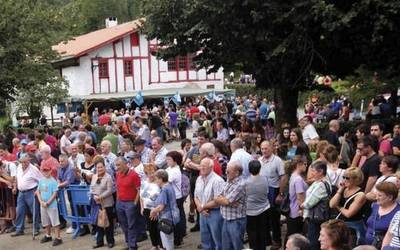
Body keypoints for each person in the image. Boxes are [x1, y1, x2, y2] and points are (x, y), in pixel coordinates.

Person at [258, 140, 285, 249]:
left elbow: (283, 177)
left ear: (271, 148)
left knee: (274, 218)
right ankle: (266, 240)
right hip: (262, 192)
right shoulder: (259, 160)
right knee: (264, 217)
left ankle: (277, 241)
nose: (264, 151)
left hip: (274, 191)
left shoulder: (277, 161)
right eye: (262, 149)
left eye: (266, 148)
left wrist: (280, 194)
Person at [329, 167, 366, 245]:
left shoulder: (360, 195)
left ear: (356, 179)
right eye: (343, 177)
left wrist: (338, 207)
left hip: (352, 227)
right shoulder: (344, 189)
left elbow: (348, 213)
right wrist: (340, 190)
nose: (344, 179)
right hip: (340, 226)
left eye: (347, 178)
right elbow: (332, 204)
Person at [215, 161, 247, 250]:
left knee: (237, 247)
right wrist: (226, 201)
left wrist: (226, 200)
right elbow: (217, 197)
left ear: (237, 173)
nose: (226, 173)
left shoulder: (241, 184)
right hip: (226, 218)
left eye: (228, 171)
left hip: (236, 221)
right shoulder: (229, 180)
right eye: (226, 170)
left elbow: (226, 201)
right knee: (226, 247)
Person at [194, 158, 225, 250]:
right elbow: (196, 196)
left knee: (218, 241)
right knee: (205, 240)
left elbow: (218, 200)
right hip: (203, 213)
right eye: (201, 166)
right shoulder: (199, 179)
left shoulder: (218, 180)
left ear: (211, 167)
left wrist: (203, 207)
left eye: (204, 166)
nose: (202, 168)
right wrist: (200, 207)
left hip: (215, 213)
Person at [301, 161, 330, 250]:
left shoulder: (321, 185)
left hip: (315, 217)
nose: (311, 173)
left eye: (313, 171)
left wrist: (302, 205)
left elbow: (309, 202)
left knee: (313, 241)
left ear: (320, 172)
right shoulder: (319, 182)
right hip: (314, 216)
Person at [12, 154, 43, 237]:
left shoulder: (34, 169)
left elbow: (41, 180)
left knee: (34, 211)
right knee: (19, 211)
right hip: (21, 192)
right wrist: (15, 187)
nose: (23, 164)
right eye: (22, 162)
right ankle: (19, 229)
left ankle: (36, 229)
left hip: (31, 191)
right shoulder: (18, 167)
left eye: (25, 162)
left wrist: (38, 190)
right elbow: (17, 178)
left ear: (29, 160)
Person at [150, 169, 180, 250]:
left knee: (167, 241)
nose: (155, 181)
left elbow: (161, 206)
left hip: (166, 218)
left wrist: (153, 211)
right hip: (172, 216)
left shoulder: (164, 189)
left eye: (156, 179)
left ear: (161, 179)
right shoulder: (169, 186)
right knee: (168, 240)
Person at [115, 157, 141, 250]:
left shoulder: (134, 174)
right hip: (120, 202)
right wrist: (118, 201)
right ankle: (129, 242)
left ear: (125, 164)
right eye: (116, 165)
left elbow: (139, 190)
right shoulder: (118, 174)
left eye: (119, 165)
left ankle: (132, 245)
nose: (117, 167)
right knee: (123, 224)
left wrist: (134, 203)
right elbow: (118, 188)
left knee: (131, 225)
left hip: (130, 203)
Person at [245, 160, 271, 250]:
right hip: (264, 208)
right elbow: (267, 191)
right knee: (262, 231)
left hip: (250, 211)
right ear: (260, 169)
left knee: (252, 233)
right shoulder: (264, 179)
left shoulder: (246, 182)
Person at [365, 182, 400, 247]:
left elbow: (391, 235)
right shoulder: (375, 206)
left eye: (380, 195)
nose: (376, 198)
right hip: (367, 244)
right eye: (376, 195)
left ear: (390, 197)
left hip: (383, 246)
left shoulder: (398, 212)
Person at [90, 157, 115, 249]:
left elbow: (110, 190)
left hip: (107, 203)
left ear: (104, 167)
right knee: (98, 223)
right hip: (96, 203)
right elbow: (92, 188)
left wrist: (100, 197)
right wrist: (94, 196)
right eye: (98, 167)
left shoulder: (108, 177)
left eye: (101, 167)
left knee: (108, 224)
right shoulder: (94, 176)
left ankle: (110, 241)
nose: (99, 169)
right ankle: (99, 242)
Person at [37, 164, 62, 246]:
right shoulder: (41, 180)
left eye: (47, 170)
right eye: (44, 171)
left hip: (51, 205)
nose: (46, 172)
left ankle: (58, 237)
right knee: (45, 221)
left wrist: (48, 203)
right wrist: (41, 201)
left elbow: (55, 194)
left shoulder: (53, 181)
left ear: (51, 171)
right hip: (43, 204)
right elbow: (38, 192)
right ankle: (48, 235)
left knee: (55, 222)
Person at [165, 151, 185, 246]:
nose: (167, 161)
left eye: (169, 159)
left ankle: (178, 239)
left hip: (176, 198)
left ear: (175, 161)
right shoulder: (169, 168)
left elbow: (165, 181)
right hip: (172, 197)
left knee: (177, 219)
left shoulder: (175, 171)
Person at [140, 163, 162, 250]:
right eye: (149, 173)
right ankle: (154, 244)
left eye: (153, 172)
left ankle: (160, 245)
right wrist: (142, 207)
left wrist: (157, 210)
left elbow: (161, 197)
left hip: (156, 209)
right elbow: (141, 196)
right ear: (146, 174)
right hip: (146, 209)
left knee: (158, 227)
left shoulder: (158, 183)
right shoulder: (144, 183)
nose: (151, 175)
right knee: (150, 228)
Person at [287, 156, 308, 238]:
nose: (306, 166)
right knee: (295, 237)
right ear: (299, 164)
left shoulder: (293, 175)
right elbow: (300, 198)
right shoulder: (298, 179)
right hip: (297, 212)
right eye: (305, 164)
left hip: (292, 210)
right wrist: (301, 210)